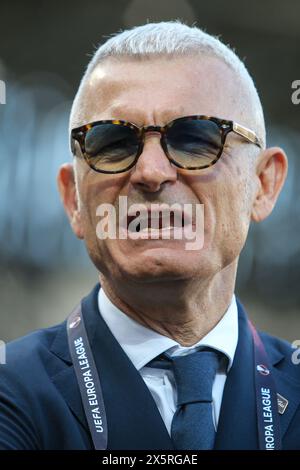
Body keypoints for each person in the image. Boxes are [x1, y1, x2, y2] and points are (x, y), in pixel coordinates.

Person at [0, 21, 299, 451]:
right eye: (113, 143)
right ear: (73, 201)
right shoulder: (14, 396)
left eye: (196, 138)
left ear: (264, 184)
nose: (151, 173)